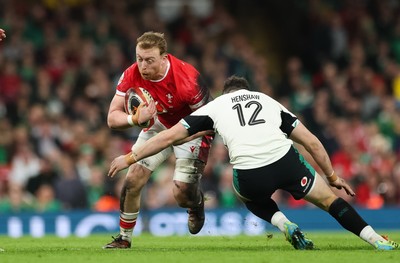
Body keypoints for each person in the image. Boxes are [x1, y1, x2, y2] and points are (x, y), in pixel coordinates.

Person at [108, 75, 399, 251]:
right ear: (247, 90)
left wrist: (130, 156)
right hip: (286, 161)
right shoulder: (267, 100)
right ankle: (377, 240)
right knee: (330, 201)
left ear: (227, 92)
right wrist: (332, 175)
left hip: (250, 173)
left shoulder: (216, 106)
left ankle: (284, 223)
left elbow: (168, 137)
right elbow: (310, 141)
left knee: (248, 197)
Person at [104, 32, 213, 249]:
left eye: (149, 60)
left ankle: (196, 203)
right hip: (159, 124)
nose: (142, 66)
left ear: (164, 58)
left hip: (191, 128)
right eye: (139, 58)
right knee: (133, 178)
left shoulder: (188, 79)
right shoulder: (131, 74)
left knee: (182, 194)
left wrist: (178, 135)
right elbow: (112, 118)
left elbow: (210, 121)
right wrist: (134, 118)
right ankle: (124, 238)